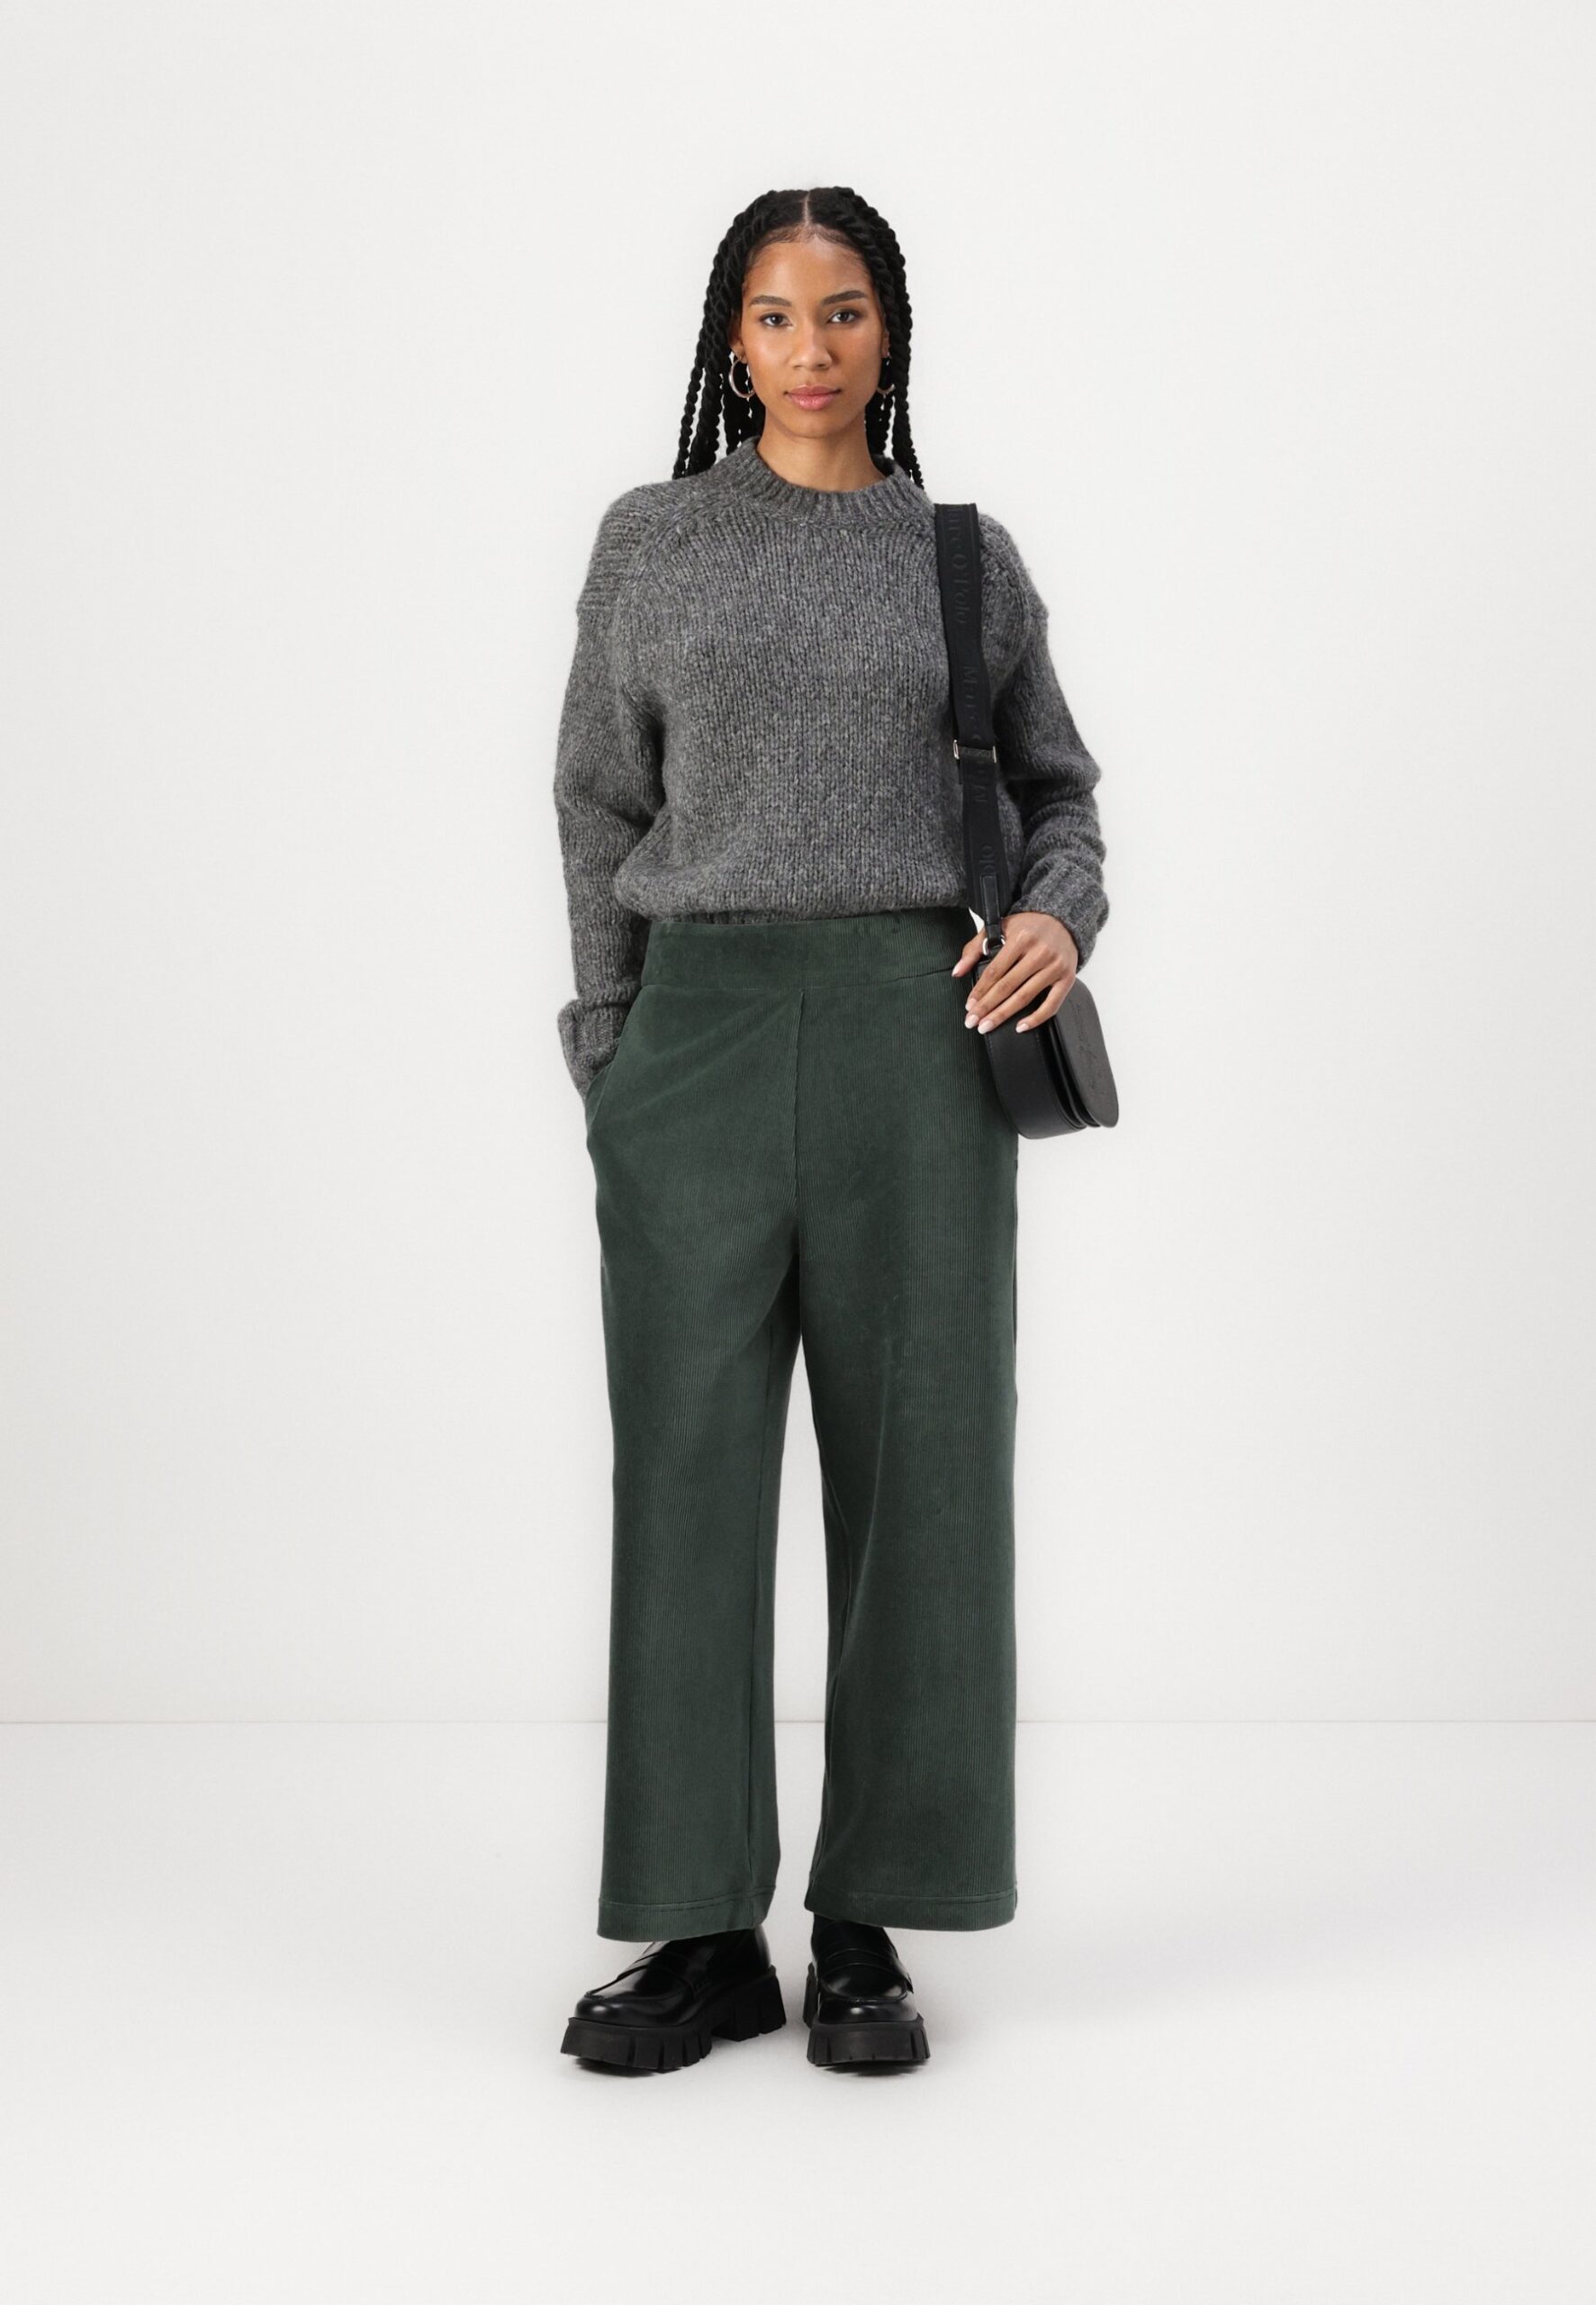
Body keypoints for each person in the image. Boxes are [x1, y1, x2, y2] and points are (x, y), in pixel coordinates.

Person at [551, 185, 1109, 2074]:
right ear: (732, 339)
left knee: (924, 1478)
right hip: (694, 1039)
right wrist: (613, 1050)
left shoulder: (959, 558)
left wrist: (1055, 912)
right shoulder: (652, 541)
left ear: (890, 333)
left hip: (913, 1038)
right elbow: (594, 800)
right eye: (779, 316)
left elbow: (1057, 792)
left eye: (845, 311)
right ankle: (701, 1928)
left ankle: (868, 1921)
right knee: (684, 1484)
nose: (812, 348)